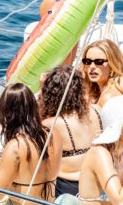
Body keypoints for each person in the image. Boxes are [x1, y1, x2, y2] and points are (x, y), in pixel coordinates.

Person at [39, 66, 102, 197]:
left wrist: (41, 91)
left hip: (68, 189)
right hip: (98, 183)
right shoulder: (97, 110)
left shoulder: (51, 124)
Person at [82, 39, 123, 107]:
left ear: (113, 65)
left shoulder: (109, 97)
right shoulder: (99, 93)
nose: (92, 66)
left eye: (99, 61)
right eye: (88, 61)